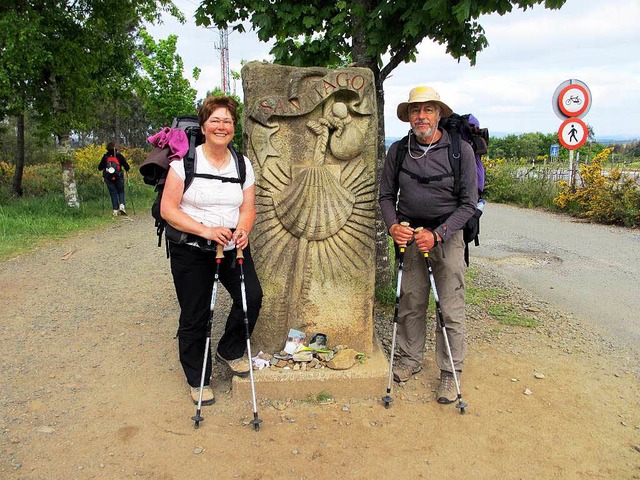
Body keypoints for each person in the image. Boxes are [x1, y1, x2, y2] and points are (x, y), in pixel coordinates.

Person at [160, 95, 263, 406]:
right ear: (203, 126)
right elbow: (168, 209)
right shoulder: (184, 163)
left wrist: (243, 229)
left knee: (252, 297)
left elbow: (248, 208)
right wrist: (206, 230)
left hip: (232, 247)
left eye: (228, 121)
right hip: (191, 250)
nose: (222, 126)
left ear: (234, 127)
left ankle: (229, 349)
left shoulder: (242, 164)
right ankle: (198, 377)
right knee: (196, 314)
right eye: (215, 120)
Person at [378, 86, 478, 404]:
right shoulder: (398, 150)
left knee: (449, 305)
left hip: (447, 234)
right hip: (409, 232)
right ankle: (409, 359)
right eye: (415, 110)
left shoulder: (460, 150)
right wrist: (393, 225)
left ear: (438, 114)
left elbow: (469, 204)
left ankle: (450, 373)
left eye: (428, 110)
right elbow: (385, 195)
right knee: (411, 299)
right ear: (408, 117)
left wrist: (438, 234)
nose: (422, 116)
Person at [98, 142, 131, 216]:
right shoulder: (119, 156)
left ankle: (115, 210)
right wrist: (126, 169)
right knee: (121, 191)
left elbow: (99, 168)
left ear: (107, 148)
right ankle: (122, 206)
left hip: (108, 178)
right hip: (119, 176)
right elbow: (127, 167)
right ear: (116, 149)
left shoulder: (105, 157)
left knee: (113, 193)